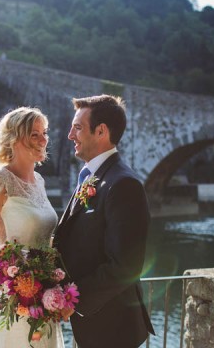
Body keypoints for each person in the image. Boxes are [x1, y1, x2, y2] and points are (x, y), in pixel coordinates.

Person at [53, 95, 155, 348]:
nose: (70, 135)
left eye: (77, 127)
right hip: (92, 324)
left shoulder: (123, 184)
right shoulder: (93, 175)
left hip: (112, 329)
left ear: (101, 131)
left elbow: (126, 266)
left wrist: (72, 299)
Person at [0, 107, 65, 348]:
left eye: (44, 133)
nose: (44, 139)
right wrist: (5, 287)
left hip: (44, 295)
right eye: (34, 134)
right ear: (14, 138)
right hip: (12, 300)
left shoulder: (40, 182)